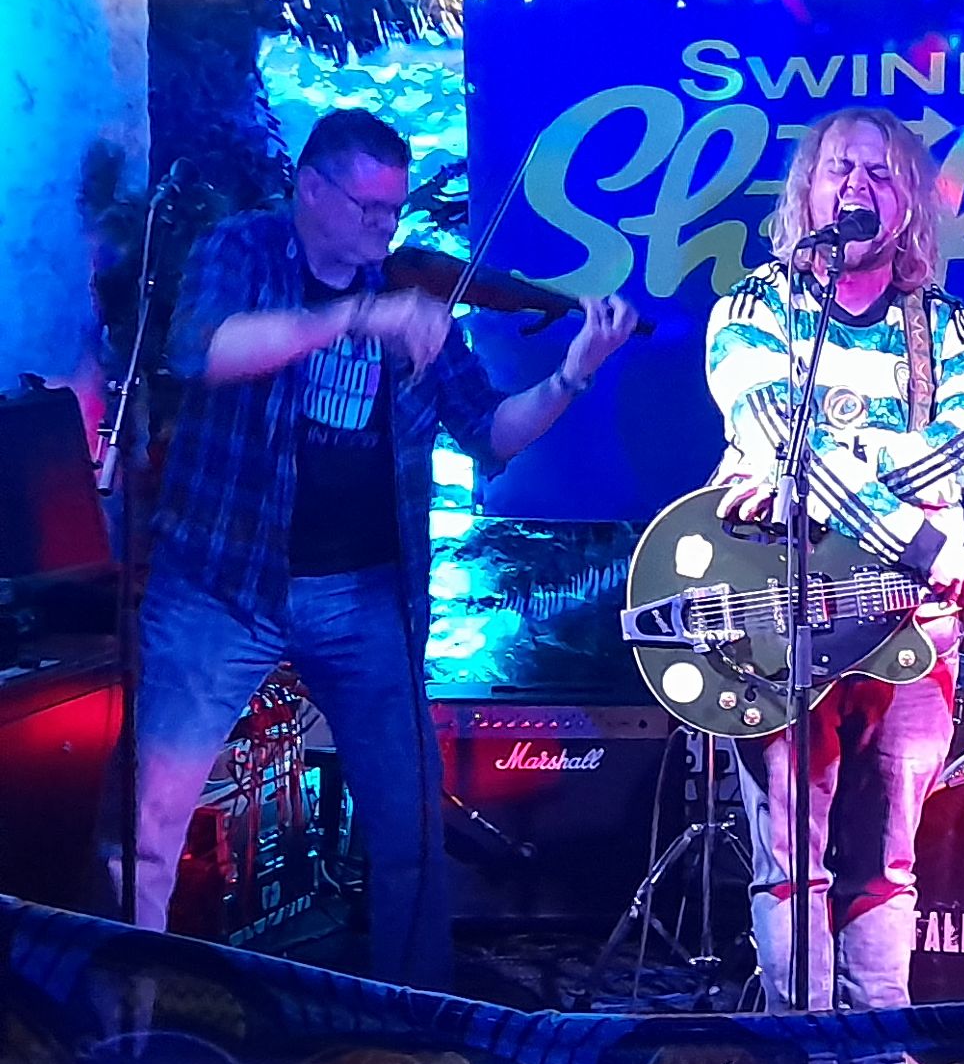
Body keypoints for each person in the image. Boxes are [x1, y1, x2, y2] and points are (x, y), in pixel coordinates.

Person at [113, 108, 636, 988]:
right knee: (150, 821)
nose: (385, 228)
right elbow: (205, 350)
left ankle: (414, 1019)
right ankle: (126, 1011)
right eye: (367, 208)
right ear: (310, 189)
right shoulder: (245, 250)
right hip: (219, 581)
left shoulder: (413, 300)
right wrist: (359, 316)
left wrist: (572, 372)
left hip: (364, 595)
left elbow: (492, 433)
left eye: (394, 210)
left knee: (409, 827)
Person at [706, 105, 964, 1015]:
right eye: (840, 170)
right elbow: (773, 431)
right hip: (782, 618)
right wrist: (917, 535)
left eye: (879, 173)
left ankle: (877, 1051)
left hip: (915, 625)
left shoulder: (947, 326)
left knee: (887, 859)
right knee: (790, 857)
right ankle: (802, 1054)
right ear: (808, 188)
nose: (857, 188)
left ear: (907, 201)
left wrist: (825, 480)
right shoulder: (754, 309)